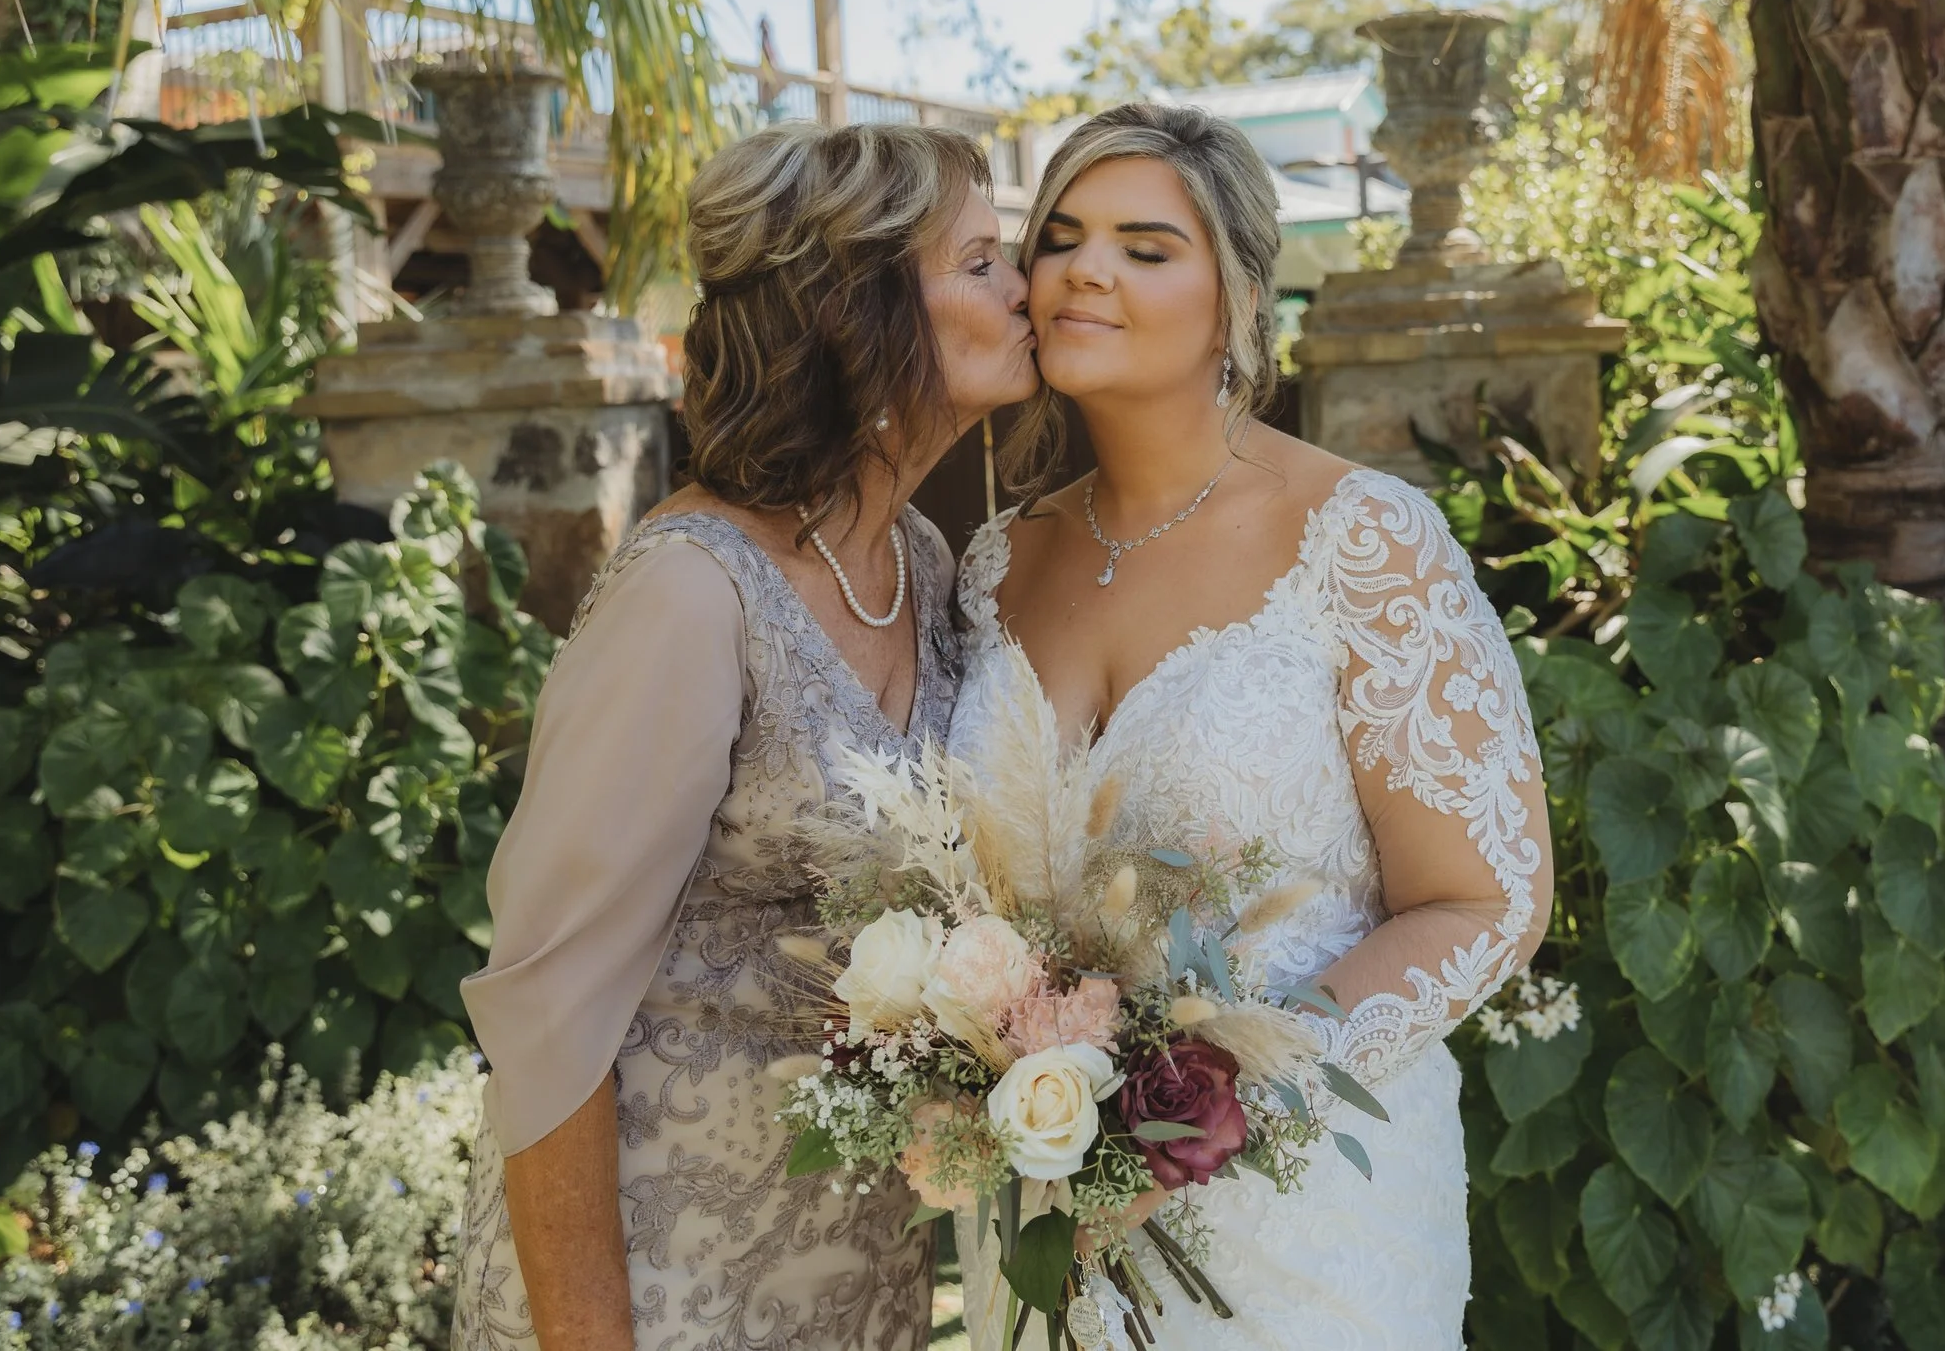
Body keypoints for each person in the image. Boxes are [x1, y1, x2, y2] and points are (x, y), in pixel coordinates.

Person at [949, 101, 1553, 1349]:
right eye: (1058, 236)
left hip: (1307, 1219)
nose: (1083, 270)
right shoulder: (997, 562)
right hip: (1041, 1211)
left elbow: (1485, 901)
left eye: (1144, 246)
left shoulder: (1363, 539)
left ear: (1236, 297)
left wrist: (1228, 1088)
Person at [453, 121, 1038, 1351]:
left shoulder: (920, 563)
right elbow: (547, 1009)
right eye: (981, 260)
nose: (1026, 286)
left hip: (855, 1277)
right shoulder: (692, 591)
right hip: (655, 1284)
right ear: (862, 311)